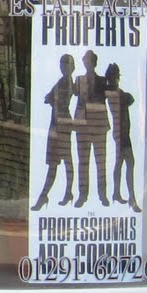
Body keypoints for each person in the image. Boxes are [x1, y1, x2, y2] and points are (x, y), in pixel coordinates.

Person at [31, 53, 77, 211]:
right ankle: (48, 195)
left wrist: (52, 99)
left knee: (64, 161)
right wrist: (51, 99)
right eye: (62, 64)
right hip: (55, 123)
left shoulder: (68, 82)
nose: (64, 67)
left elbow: (56, 100)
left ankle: (62, 193)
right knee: (55, 162)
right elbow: (49, 97)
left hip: (62, 123)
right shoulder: (62, 81)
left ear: (72, 67)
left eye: (67, 64)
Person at [73, 49, 110, 207]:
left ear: (94, 63)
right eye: (86, 60)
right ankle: (82, 195)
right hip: (82, 125)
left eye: (91, 61)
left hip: (99, 125)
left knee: (100, 161)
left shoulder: (103, 81)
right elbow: (71, 93)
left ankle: (103, 194)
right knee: (83, 161)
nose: (88, 63)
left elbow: (111, 94)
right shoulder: (79, 80)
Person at [106, 63, 138, 212]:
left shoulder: (117, 93)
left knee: (120, 162)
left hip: (122, 132)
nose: (116, 79)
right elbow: (129, 99)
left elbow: (130, 99)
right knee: (129, 162)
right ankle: (131, 198)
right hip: (121, 133)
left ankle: (116, 193)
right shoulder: (115, 94)